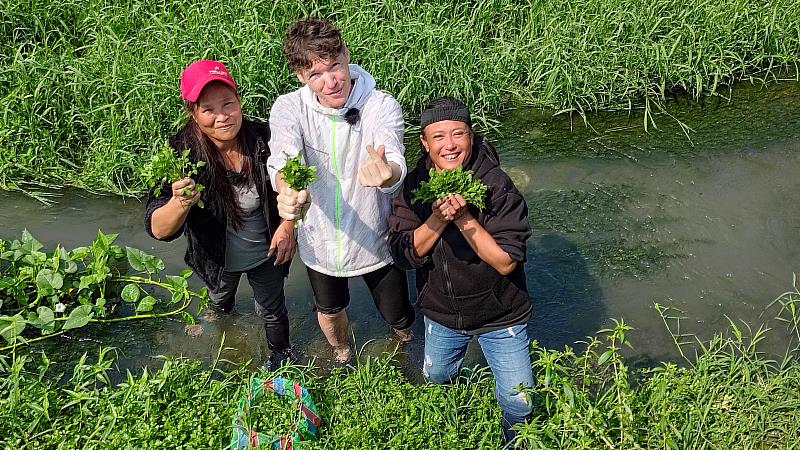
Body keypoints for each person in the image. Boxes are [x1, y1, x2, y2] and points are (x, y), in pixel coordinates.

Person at [267, 17, 415, 364]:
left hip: (376, 233)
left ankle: (407, 348)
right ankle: (342, 353)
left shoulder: (380, 105)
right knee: (330, 310)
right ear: (300, 76)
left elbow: (393, 158)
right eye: (315, 74)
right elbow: (283, 160)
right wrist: (287, 191)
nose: (331, 81)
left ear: (346, 54)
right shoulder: (289, 109)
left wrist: (386, 172)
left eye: (334, 66)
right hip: (320, 239)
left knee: (398, 314)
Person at [388, 97, 534, 445]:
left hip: (502, 313)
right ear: (424, 143)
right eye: (438, 137)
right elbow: (404, 255)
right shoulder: (413, 188)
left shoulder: (496, 184)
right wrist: (437, 219)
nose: (449, 145)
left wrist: (465, 218)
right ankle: (458, 427)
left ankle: (512, 440)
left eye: (458, 134)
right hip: (442, 312)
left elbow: (506, 261)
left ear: (471, 136)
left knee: (520, 400)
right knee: (438, 378)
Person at [145, 59, 297, 369]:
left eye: (228, 104)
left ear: (239, 101)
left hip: (267, 253)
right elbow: (158, 229)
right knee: (218, 301)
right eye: (209, 110)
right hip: (217, 258)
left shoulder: (265, 140)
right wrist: (180, 203)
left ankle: (281, 362)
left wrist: (289, 227)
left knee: (272, 312)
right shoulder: (180, 155)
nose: (222, 117)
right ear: (194, 113)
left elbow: (297, 184)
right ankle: (217, 329)